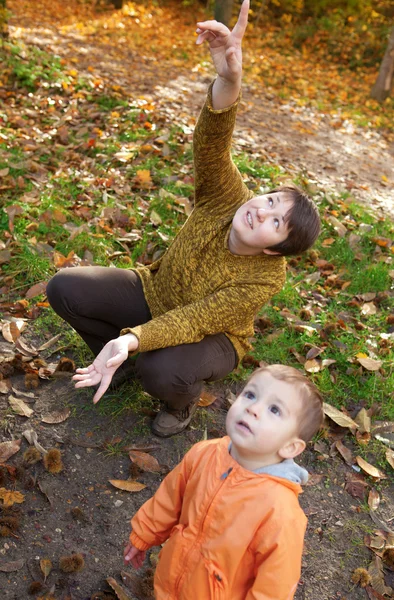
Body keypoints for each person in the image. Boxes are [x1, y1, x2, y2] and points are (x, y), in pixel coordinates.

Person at [46, 0, 321, 437]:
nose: (260, 209)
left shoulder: (267, 276)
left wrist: (135, 338)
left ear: (274, 248)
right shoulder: (231, 197)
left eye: (275, 220)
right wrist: (229, 79)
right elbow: (212, 141)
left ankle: (180, 403)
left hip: (212, 337)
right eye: (269, 199)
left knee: (161, 370)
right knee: (65, 287)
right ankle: (112, 361)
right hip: (155, 291)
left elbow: (193, 320)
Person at [123, 364, 324, 599]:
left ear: (291, 447)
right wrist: (144, 534)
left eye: (275, 410)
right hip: (171, 578)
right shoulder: (205, 453)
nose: (253, 408)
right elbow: (169, 498)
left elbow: (274, 587)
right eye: (250, 395)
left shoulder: (280, 511)